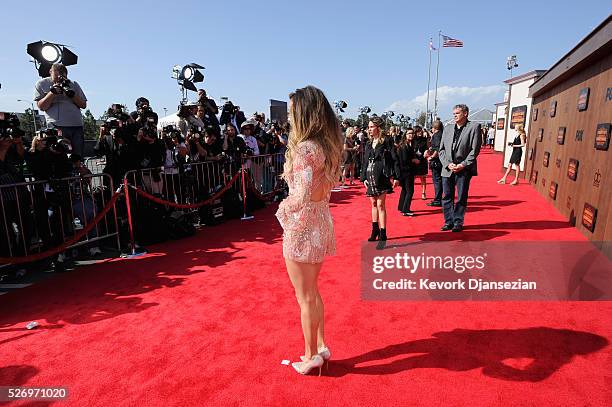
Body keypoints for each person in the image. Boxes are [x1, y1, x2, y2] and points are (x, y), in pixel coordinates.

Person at [275, 85, 343, 376]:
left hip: (302, 226)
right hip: (320, 221)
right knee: (312, 292)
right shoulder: (326, 146)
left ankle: (310, 355)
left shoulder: (305, 149)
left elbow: (300, 196)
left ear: (304, 113)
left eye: (292, 112)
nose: (289, 118)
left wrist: (281, 210)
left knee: (304, 297)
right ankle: (321, 345)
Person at [438, 104, 482, 232]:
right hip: (448, 168)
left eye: (457, 113)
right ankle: (448, 221)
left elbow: (475, 150)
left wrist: (462, 164)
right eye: (454, 113)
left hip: (463, 168)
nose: (455, 116)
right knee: (447, 196)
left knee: (461, 196)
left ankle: (458, 221)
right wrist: (447, 164)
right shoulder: (448, 128)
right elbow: (441, 150)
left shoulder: (474, 127)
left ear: (465, 114)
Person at [360, 117, 400, 249]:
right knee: (373, 203)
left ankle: (383, 235)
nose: (369, 129)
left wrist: (396, 176)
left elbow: (394, 158)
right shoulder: (368, 143)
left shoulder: (387, 141)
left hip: (381, 176)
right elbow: (365, 161)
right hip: (370, 176)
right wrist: (363, 177)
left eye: (371, 126)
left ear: (378, 127)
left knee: (380, 204)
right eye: (369, 127)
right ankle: (374, 230)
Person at [34, 63, 87, 156]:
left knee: (77, 155)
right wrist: (52, 93)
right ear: (50, 72)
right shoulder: (42, 84)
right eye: (56, 75)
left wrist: (72, 95)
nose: (59, 78)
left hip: (76, 125)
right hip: (57, 126)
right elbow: (41, 106)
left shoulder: (73, 84)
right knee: (60, 154)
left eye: (62, 76)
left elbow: (83, 105)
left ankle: (77, 169)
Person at [397, 128, 421, 216]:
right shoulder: (404, 146)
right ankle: (406, 209)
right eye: (409, 133)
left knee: (405, 190)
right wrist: (414, 160)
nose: (411, 135)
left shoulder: (409, 144)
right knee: (410, 190)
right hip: (406, 171)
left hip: (407, 171)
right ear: (405, 135)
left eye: (412, 133)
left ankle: (401, 207)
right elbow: (404, 160)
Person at [425, 120, 444, 207]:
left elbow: (437, 148)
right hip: (440, 161)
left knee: (437, 181)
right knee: (439, 180)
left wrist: (431, 157)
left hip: (436, 161)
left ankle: (437, 199)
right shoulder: (441, 134)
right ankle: (439, 198)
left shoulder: (436, 136)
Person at [413, 126, 429, 200]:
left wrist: (427, 151)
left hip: (422, 160)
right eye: (418, 131)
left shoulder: (424, 139)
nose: (420, 132)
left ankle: (423, 193)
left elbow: (427, 148)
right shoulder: (412, 140)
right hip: (414, 161)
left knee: (423, 178)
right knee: (412, 178)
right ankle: (410, 193)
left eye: (421, 131)